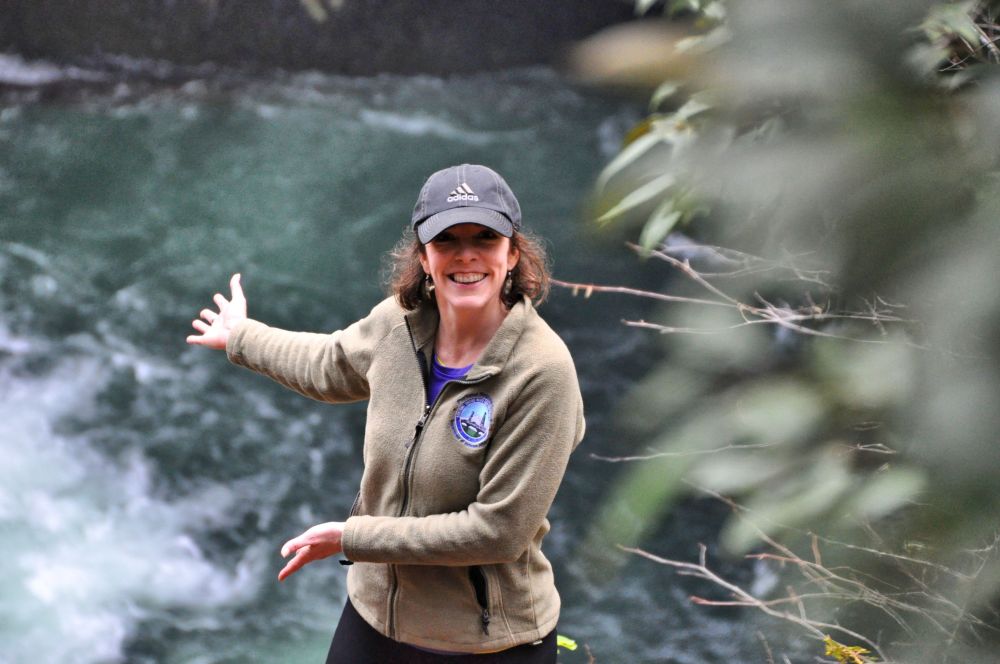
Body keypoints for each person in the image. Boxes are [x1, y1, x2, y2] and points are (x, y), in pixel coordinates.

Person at [187, 164, 585, 663]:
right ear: (423, 257)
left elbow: (498, 532)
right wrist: (242, 337)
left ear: (512, 253)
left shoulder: (542, 372)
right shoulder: (398, 324)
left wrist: (353, 538)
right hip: (375, 621)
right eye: (446, 240)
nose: (466, 255)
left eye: (485, 238)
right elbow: (329, 363)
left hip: (486, 644)